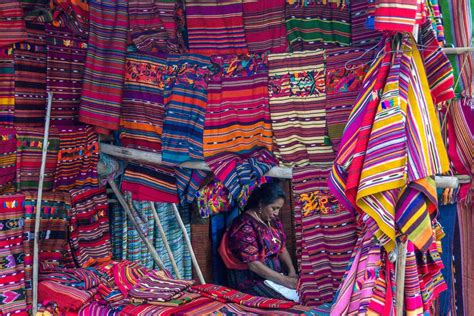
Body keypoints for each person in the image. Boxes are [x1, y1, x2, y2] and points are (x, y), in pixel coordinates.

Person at [218, 182, 298, 299]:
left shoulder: (272, 221)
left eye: (279, 209)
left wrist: (292, 272)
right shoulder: (244, 226)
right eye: (274, 208)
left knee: (305, 293)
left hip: (274, 278)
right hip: (251, 281)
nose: (277, 213)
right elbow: (253, 265)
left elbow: (282, 247)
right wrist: (286, 281)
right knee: (288, 303)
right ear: (261, 204)